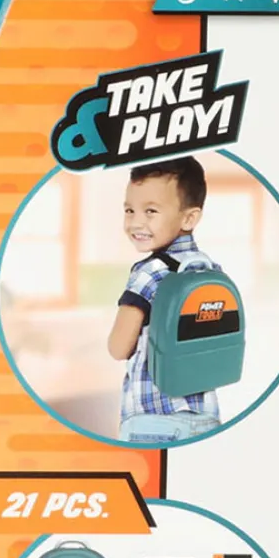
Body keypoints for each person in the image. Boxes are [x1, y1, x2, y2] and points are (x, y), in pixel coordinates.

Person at [107, 157, 223, 443]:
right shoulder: (210, 269)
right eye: (129, 210)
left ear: (189, 218)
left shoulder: (149, 272)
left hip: (154, 419)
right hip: (205, 415)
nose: (136, 222)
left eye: (151, 211)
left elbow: (118, 347)